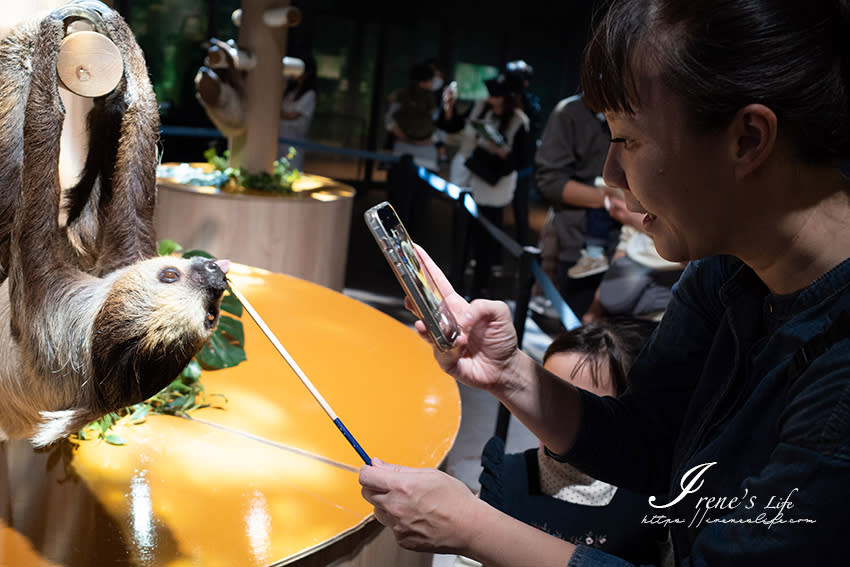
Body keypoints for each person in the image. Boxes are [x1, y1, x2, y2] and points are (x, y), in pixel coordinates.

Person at [359, 0, 850, 565]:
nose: (610, 175)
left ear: (747, 139)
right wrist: (511, 373)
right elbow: (650, 440)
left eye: (628, 140)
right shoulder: (725, 271)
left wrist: (473, 527)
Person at [474, 320, 665, 566]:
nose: (550, 417)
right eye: (543, 394)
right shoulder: (504, 477)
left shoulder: (655, 499)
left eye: (579, 405)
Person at [437, 71, 530, 299]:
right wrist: (449, 106)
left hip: (493, 187)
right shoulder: (480, 107)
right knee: (460, 238)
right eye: (491, 93)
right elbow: (454, 126)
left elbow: (521, 159)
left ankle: (480, 291)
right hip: (466, 180)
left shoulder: (519, 120)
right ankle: (454, 287)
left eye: (497, 95)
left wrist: (502, 153)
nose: (492, 98)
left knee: (485, 244)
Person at [535, 93, 620, 313]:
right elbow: (550, 181)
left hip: (630, 247)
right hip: (579, 241)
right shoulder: (571, 113)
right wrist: (609, 199)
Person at [581, 194, 685, 323]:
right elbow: (623, 247)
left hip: (667, 315)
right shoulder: (645, 201)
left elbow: (690, 249)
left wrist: (632, 218)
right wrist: (594, 311)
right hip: (628, 316)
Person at [505, 60, 542, 247]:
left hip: (522, 168)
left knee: (521, 211)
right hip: (500, 166)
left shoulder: (531, 104)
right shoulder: (501, 102)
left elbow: (530, 133)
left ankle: (523, 253)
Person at [385, 62, 439, 172]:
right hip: (423, 154)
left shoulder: (400, 95)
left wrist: (405, 138)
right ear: (423, 82)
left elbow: (389, 121)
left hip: (403, 150)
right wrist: (424, 141)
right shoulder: (430, 99)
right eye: (431, 80)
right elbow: (437, 123)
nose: (433, 83)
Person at [278, 56, 317, 172]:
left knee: (292, 171)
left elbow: (292, 115)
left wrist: (273, 114)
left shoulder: (310, 94)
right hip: (279, 136)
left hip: (294, 140)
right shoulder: (291, 91)